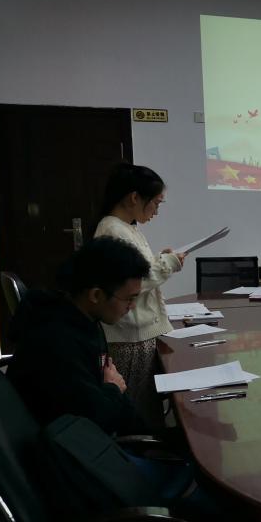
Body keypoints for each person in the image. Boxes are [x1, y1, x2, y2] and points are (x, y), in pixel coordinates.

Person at [6, 236, 148, 436]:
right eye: (129, 299)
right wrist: (113, 388)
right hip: (64, 446)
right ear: (96, 295)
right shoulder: (56, 341)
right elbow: (97, 420)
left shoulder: (84, 319)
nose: (132, 307)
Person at [93, 163, 183, 427]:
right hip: (129, 337)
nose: (156, 211)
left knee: (146, 405)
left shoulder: (127, 228)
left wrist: (160, 259)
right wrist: (167, 264)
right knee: (136, 409)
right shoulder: (112, 229)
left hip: (139, 333)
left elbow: (136, 269)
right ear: (134, 197)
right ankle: (140, 448)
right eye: (155, 203)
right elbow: (128, 282)